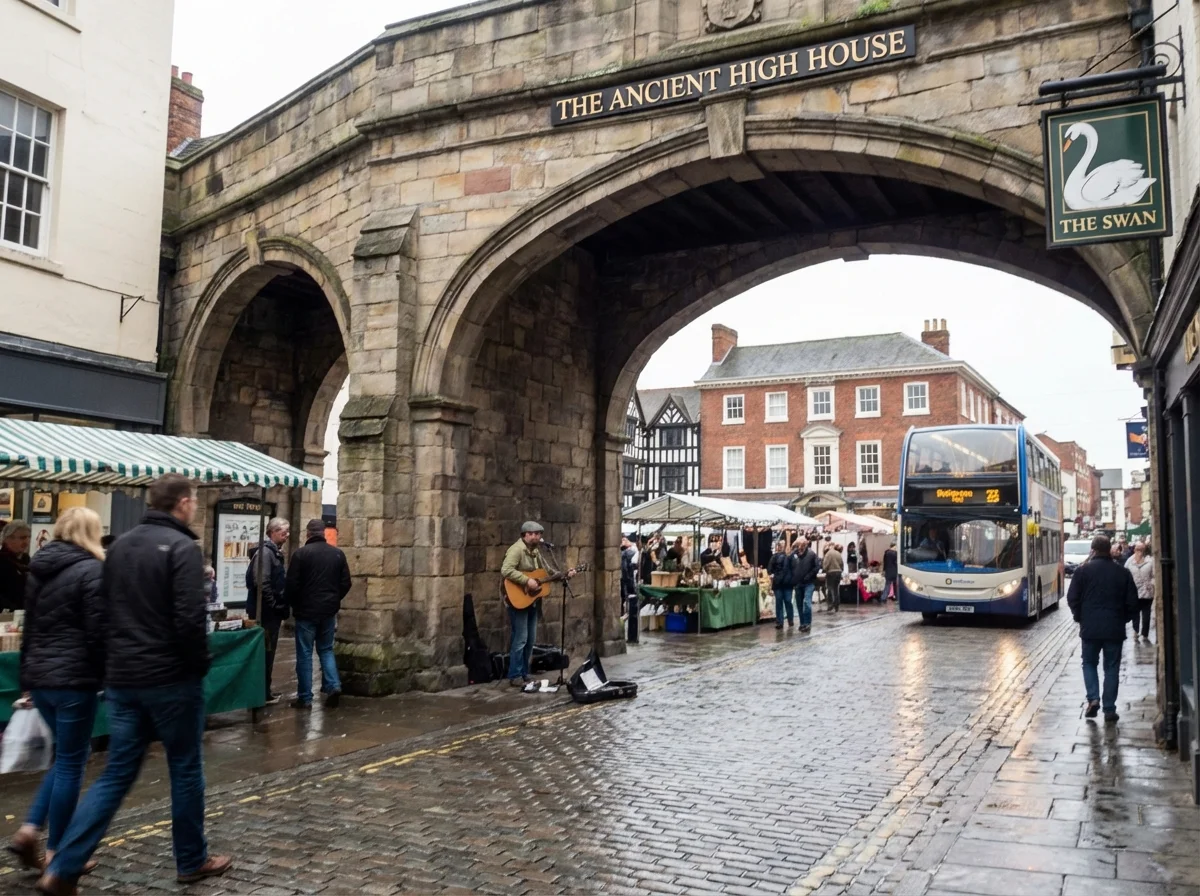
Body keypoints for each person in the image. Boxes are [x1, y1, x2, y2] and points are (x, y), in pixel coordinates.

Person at [36, 474, 232, 895]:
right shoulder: (182, 549)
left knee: (115, 774)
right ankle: (192, 859)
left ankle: (63, 866)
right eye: (194, 501)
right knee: (184, 767)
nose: (195, 507)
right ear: (182, 503)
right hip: (171, 679)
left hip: (124, 678)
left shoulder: (119, 545)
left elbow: (104, 615)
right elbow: (188, 620)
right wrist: (198, 666)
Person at [9, 509, 106, 874]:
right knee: (72, 762)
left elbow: (29, 628)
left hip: (42, 679)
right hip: (74, 680)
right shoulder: (93, 570)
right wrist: (107, 676)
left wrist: (26, 682)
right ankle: (57, 853)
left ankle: (30, 830)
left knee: (64, 758)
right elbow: (98, 632)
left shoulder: (38, 570)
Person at [1066, 535, 1139, 724]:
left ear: (1093, 549)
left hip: (1090, 628)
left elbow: (1072, 597)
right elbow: (1133, 602)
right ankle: (1109, 708)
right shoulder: (1122, 573)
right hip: (1114, 628)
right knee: (1111, 668)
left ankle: (1093, 698)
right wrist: (1123, 619)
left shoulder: (1082, 572)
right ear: (1109, 550)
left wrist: (1080, 616)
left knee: (1089, 663)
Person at [285, 519, 352, 709]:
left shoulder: (300, 554)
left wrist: (294, 603)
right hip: (328, 611)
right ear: (324, 533)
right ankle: (333, 685)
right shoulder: (337, 554)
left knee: (305, 654)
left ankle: (305, 697)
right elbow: (346, 583)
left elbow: (291, 585)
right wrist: (334, 599)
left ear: (308, 534)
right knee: (326, 649)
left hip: (306, 612)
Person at [501, 521, 574, 687]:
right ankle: (515, 674)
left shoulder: (537, 553)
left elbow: (547, 573)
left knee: (530, 639)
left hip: (532, 601)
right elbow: (506, 570)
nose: (535, 536)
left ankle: (525, 673)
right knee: (520, 639)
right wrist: (527, 580)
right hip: (517, 599)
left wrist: (565, 575)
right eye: (531, 533)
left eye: (538, 533)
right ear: (524, 535)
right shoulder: (516, 550)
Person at [246, 518, 290, 705]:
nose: (287, 536)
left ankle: (264, 690)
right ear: (272, 532)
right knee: (265, 652)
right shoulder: (265, 553)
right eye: (284, 532)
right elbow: (261, 582)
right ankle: (260, 692)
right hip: (265, 612)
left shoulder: (273, 553)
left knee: (268, 652)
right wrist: (274, 604)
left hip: (270, 611)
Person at [1125, 541, 1154, 643]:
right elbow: (1125, 574)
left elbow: (1155, 575)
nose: (1139, 551)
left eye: (1141, 549)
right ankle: (1136, 632)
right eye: (1137, 549)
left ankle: (1145, 634)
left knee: (1146, 615)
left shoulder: (1150, 561)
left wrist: (1151, 584)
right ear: (1134, 549)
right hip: (1134, 592)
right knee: (1135, 614)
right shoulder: (1130, 561)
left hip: (1147, 592)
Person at [0, 519, 31, 612]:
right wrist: (14, 609)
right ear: (7, 539)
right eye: (22, 538)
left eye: (29, 537)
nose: (27, 541)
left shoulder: (26, 559)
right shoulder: (1, 560)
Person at [790, 538, 818, 633]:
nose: (800, 547)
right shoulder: (795, 554)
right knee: (799, 605)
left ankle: (807, 623)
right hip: (798, 583)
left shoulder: (811, 554)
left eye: (802, 545)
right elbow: (789, 563)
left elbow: (817, 567)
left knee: (806, 602)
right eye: (798, 545)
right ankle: (802, 623)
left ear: (806, 544)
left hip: (808, 583)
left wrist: (809, 576)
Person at [768, 539, 794, 629]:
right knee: (787, 602)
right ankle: (789, 620)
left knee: (780, 602)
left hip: (780, 583)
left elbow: (769, 570)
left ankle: (781, 621)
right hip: (786, 583)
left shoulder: (775, 557)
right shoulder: (790, 557)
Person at [620, 533, 639, 644]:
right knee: (631, 613)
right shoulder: (627, 553)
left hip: (631, 587)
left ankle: (632, 638)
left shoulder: (631, 553)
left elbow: (629, 572)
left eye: (624, 539)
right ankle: (632, 637)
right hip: (629, 587)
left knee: (632, 613)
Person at [822, 538, 845, 613]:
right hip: (838, 572)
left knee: (830, 588)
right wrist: (841, 570)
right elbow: (842, 564)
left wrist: (824, 569)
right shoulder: (838, 553)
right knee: (836, 589)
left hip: (831, 573)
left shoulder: (828, 554)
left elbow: (826, 564)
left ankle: (831, 604)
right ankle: (837, 605)